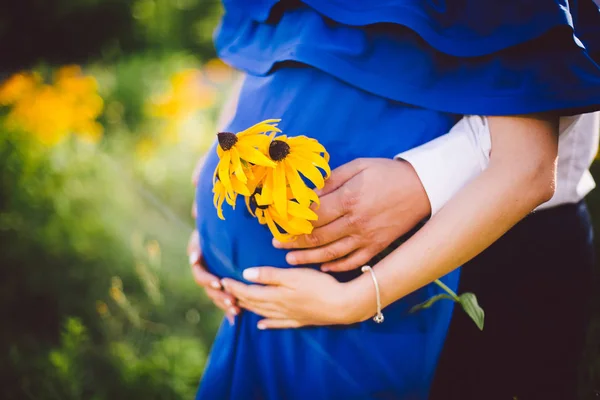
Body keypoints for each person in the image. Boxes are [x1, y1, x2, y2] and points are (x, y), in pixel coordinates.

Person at [188, 1, 600, 398]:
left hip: (447, 278)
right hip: (272, 313)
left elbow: (526, 161)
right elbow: (273, 54)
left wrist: (359, 298)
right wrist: (213, 194)